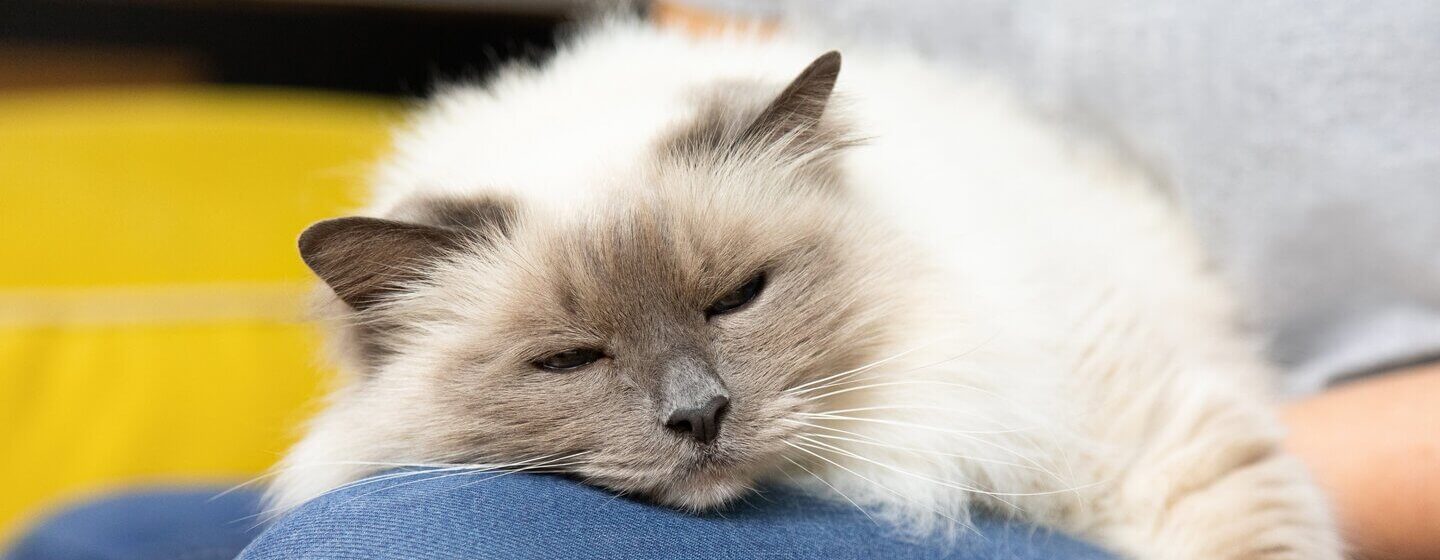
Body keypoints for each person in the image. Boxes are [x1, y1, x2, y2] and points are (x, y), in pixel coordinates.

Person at [9, 2, 1439, 558]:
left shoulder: (968, 265)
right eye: (573, 359)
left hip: (1344, 455)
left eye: (738, 301)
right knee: (97, 547)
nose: (690, 401)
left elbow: (1210, 478)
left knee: (403, 548)